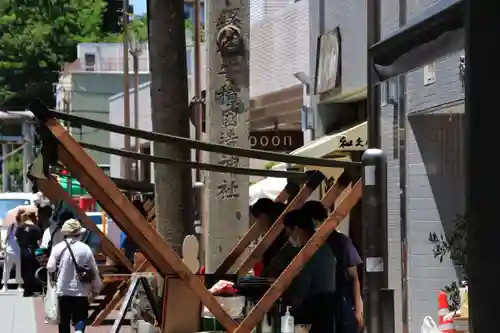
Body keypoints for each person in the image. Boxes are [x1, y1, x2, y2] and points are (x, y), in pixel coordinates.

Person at [301, 200, 364, 333]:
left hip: (341, 304)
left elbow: (354, 277)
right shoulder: (309, 243)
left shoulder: (341, 242)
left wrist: (358, 310)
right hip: (318, 307)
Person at [282, 209, 337, 333]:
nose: (287, 237)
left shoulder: (309, 252)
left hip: (313, 309)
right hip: (327, 308)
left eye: (288, 232)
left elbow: (301, 288)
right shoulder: (324, 247)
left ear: (296, 229)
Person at [47, 218, 102, 333]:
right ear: (79, 233)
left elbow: (50, 267)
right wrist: (96, 287)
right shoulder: (85, 249)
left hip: (63, 290)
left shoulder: (57, 248)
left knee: (64, 321)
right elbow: (94, 270)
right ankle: (78, 331)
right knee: (80, 317)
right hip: (81, 291)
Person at [250, 198, 288, 270]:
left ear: (264, 217)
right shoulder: (274, 238)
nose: (257, 224)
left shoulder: (278, 240)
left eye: (257, 219)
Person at [15, 210, 43, 296]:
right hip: (33, 250)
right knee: (33, 270)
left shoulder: (19, 227)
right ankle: (32, 289)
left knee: (24, 270)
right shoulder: (36, 228)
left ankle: (27, 289)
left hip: (23, 250)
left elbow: (16, 239)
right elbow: (39, 242)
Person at [2, 209, 25, 292]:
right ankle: (5, 285)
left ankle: (19, 285)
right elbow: (7, 237)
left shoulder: (23, 227)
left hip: (19, 251)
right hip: (9, 250)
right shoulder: (11, 226)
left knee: (19, 269)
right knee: (7, 269)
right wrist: (4, 247)